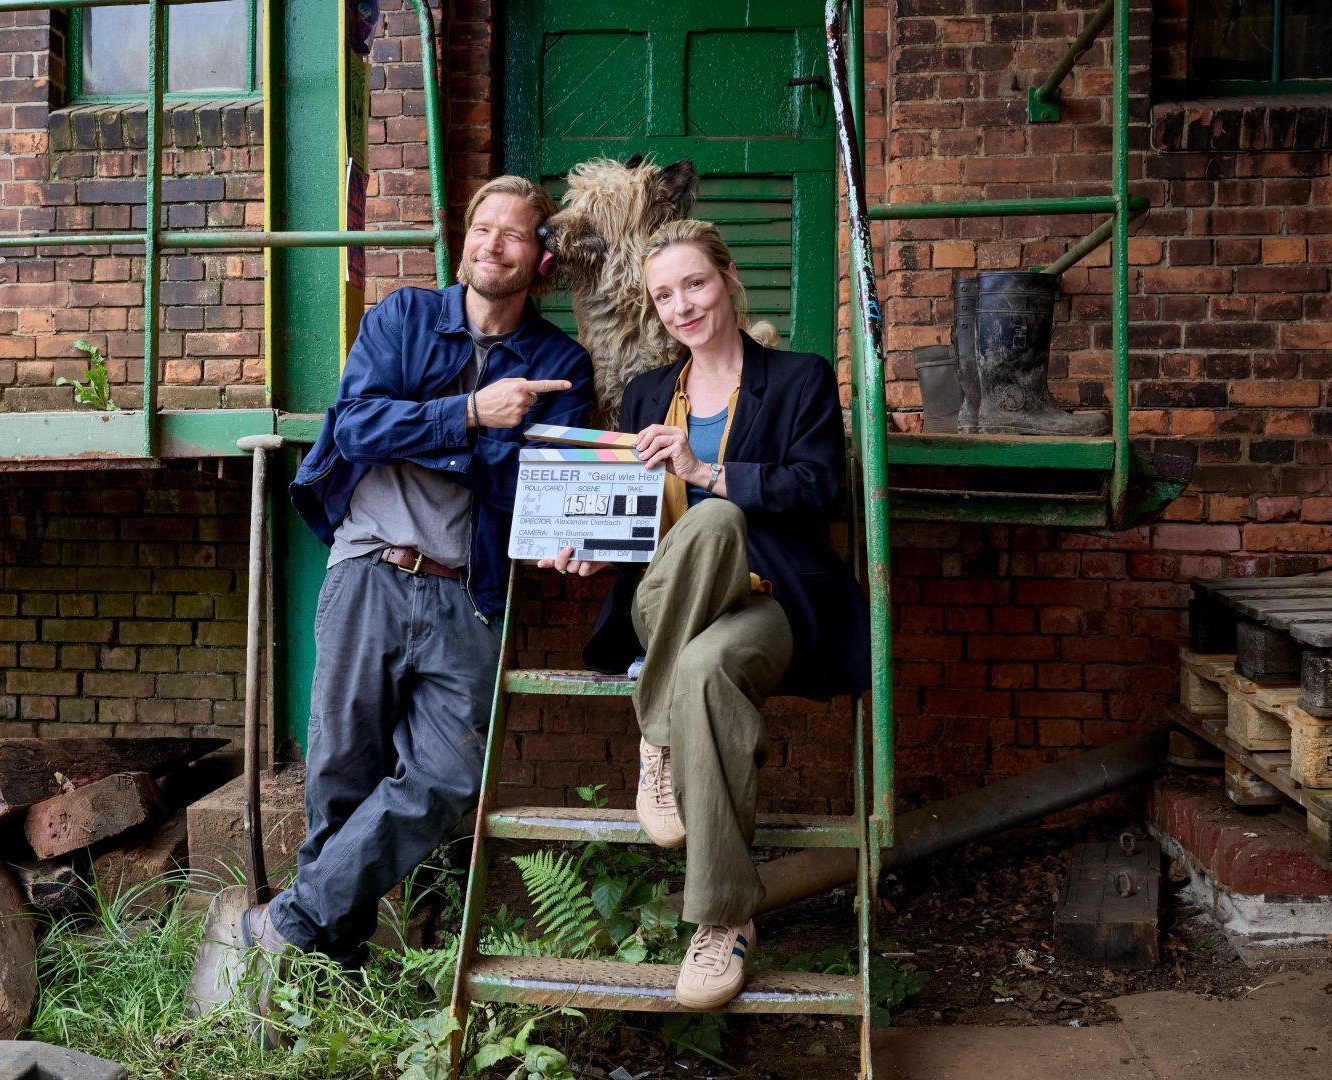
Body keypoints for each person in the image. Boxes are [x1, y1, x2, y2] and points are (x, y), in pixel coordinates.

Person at [243, 176, 596, 967]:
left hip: (464, 590)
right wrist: (473, 416)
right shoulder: (401, 317)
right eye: (482, 229)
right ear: (464, 239)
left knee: (451, 774)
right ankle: (327, 973)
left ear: (540, 258)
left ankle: (289, 923)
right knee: (339, 772)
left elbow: (536, 488)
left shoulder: (559, 363)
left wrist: (444, 441)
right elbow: (359, 422)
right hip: (369, 566)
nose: (491, 245)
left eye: (512, 235)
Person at [542, 219, 870, 1009]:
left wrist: (707, 470)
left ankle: (720, 914)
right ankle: (667, 749)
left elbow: (817, 486)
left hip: (770, 597)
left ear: (726, 279)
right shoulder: (653, 393)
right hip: (672, 599)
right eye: (664, 295)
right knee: (703, 539)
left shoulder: (798, 378)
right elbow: (637, 513)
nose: (681, 304)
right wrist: (590, 545)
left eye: (694, 283)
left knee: (705, 664)